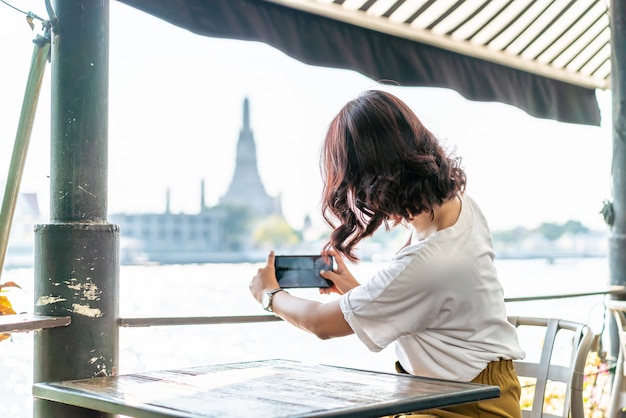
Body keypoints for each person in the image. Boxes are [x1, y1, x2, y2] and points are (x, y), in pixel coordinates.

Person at [249, 89, 524, 418]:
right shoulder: (455, 209)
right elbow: (430, 303)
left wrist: (270, 295)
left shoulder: (429, 260)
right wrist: (358, 292)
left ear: (369, 176)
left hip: (468, 405)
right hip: (460, 390)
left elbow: (321, 324)